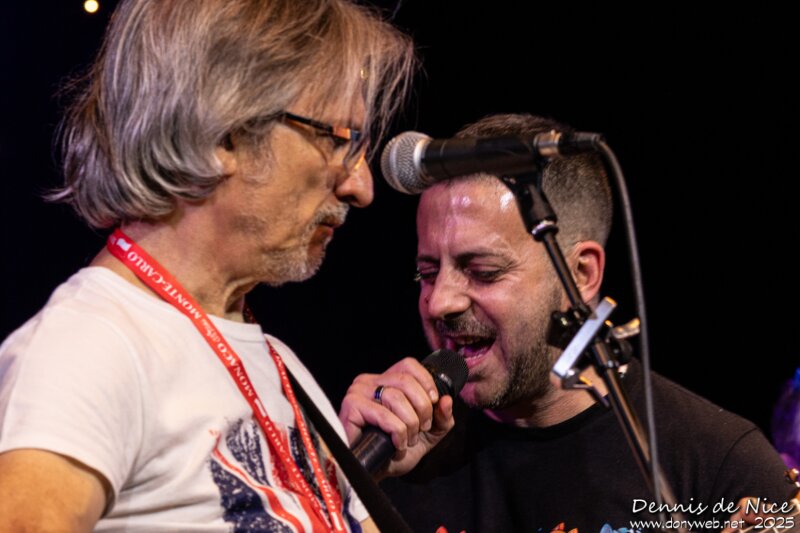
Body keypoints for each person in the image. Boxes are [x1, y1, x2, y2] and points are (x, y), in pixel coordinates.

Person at [0, 0, 414, 531]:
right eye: (340, 140)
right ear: (225, 133)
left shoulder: (282, 367)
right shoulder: (91, 346)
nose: (361, 187)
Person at [339, 114, 799, 532]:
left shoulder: (717, 465)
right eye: (427, 273)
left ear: (581, 274)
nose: (440, 302)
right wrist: (342, 478)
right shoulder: (399, 451)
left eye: (483, 272)